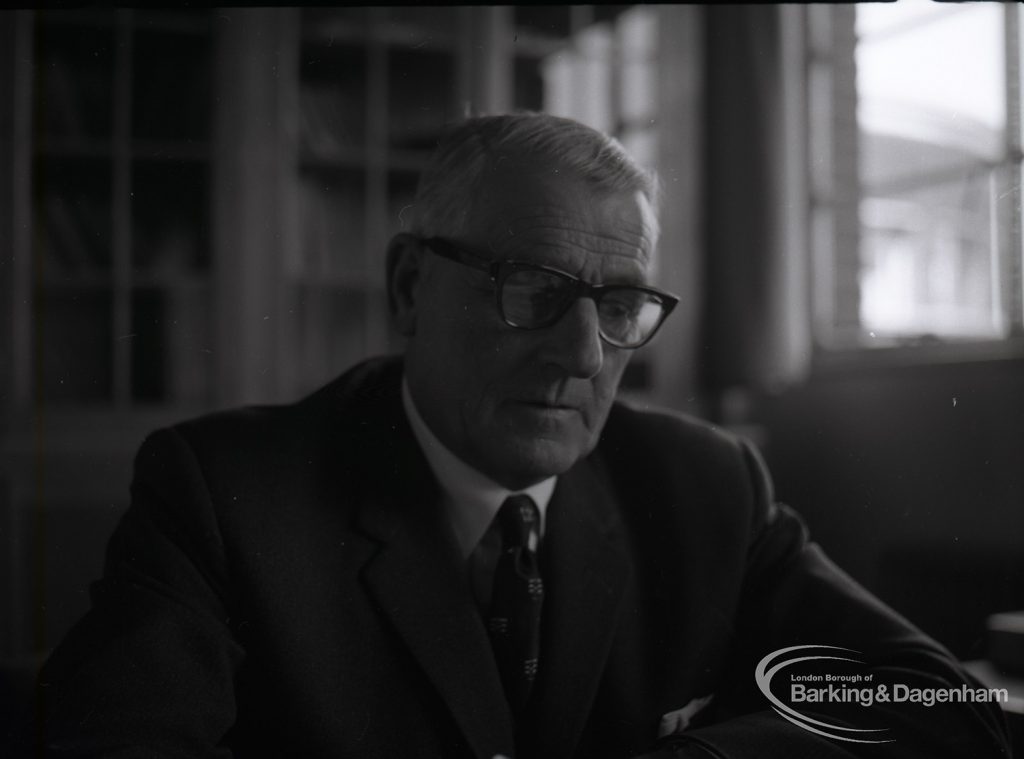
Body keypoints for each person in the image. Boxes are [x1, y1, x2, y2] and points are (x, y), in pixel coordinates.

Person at [29, 113, 1010, 758]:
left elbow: (942, 703)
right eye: (529, 289)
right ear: (410, 289)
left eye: (620, 302)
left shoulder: (705, 484)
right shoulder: (225, 492)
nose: (580, 353)